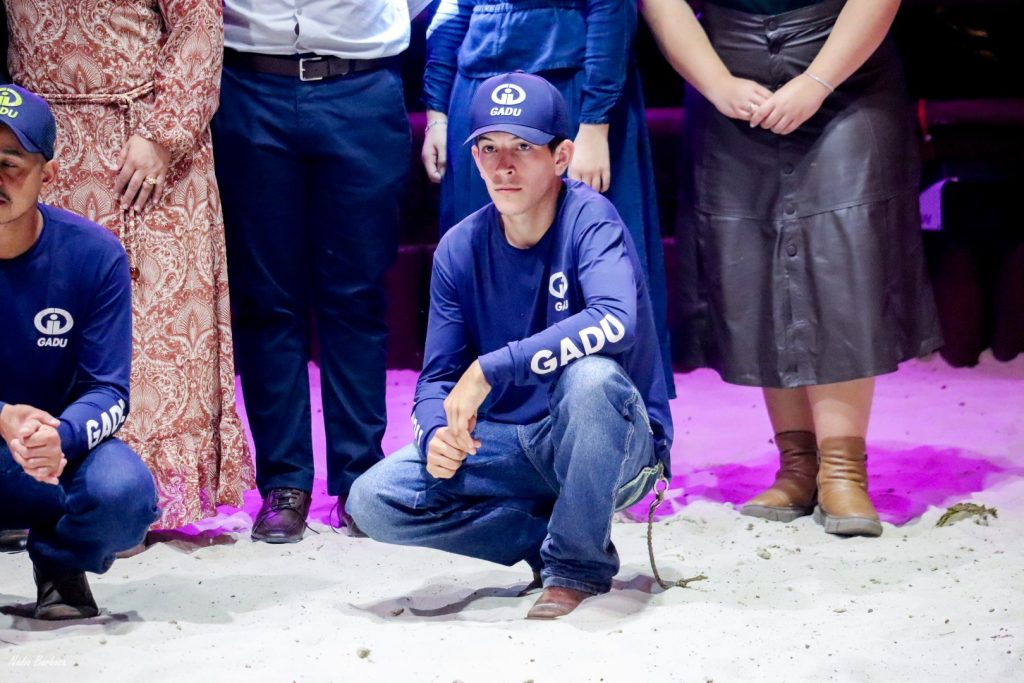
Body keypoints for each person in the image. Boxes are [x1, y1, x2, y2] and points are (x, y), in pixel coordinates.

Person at [348, 73, 673, 619]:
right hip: (512, 445)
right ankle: (545, 541)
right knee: (373, 499)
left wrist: (492, 368)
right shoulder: (459, 247)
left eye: (523, 147)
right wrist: (436, 432)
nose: (503, 166)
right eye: (488, 148)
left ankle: (577, 568)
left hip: (614, 445)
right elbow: (436, 379)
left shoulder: (591, 219)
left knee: (590, 378)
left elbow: (616, 321)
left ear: (561, 156)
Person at [642, 0, 942, 536]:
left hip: (844, 65)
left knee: (845, 262)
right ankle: (798, 466)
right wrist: (716, 83)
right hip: (730, 71)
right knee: (753, 259)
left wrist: (818, 81)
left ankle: (843, 471)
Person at [5, 0, 254, 529]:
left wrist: (164, 134)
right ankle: (29, 480)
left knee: (154, 334)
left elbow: (198, 22)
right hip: (32, 145)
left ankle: (136, 499)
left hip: (143, 146)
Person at [212, 1, 431, 543]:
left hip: (360, 85)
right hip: (250, 83)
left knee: (357, 297)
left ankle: (359, 478)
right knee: (265, 300)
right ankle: (284, 483)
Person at [420, 0, 675, 395]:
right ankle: (488, 414)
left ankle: (615, 422)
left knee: (598, 277)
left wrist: (595, 122)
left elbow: (610, 5)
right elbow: (453, 10)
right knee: (481, 265)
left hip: (569, 84)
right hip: (475, 89)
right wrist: (436, 112)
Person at [0, 85, 159, 620]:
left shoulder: (94, 255)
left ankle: (59, 565)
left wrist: (60, 437)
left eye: (10, 164)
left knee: (125, 494)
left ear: (46, 171)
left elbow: (108, 390)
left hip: (54, 453)